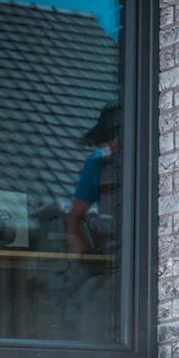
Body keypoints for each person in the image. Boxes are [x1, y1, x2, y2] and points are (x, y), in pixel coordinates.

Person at [66, 101, 120, 256]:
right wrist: (83, 257)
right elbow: (75, 218)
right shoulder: (98, 163)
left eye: (117, 136)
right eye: (109, 137)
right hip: (111, 259)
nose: (113, 143)